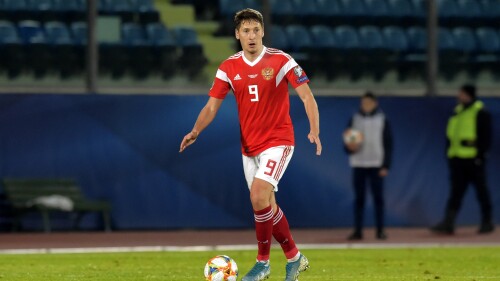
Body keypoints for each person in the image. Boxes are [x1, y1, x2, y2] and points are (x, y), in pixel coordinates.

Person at [179, 8, 321, 281]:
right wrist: (196, 129)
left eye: (256, 30)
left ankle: (262, 264)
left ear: (263, 32)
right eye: (246, 31)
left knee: (258, 196)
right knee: (266, 204)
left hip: (279, 140)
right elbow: (211, 106)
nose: (252, 35)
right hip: (250, 147)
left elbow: (307, 97)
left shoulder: (282, 61)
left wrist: (314, 129)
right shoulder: (228, 67)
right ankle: (294, 257)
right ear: (237, 34)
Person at [430, 84, 494, 235]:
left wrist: (480, 156)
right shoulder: (457, 112)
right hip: (457, 159)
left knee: (481, 191)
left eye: (461, 93)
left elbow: (486, 136)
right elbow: (451, 135)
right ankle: (448, 222)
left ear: (469, 95)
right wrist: (450, 154)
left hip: (473, 159)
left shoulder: (480, 112)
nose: (459, 96)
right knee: (455, 192)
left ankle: (487, 222)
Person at [344, 92, 392, 240]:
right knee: (359, 199)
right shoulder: (355, 119)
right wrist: (349, 147)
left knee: (378, 199)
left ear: (375, 103)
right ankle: (358, 231)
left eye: (368, 103)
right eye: (363, 102)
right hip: (359, 163)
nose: (365, 105)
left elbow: (388, 143)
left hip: (376, 164)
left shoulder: (382, 119)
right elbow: (349, 142)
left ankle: (380, 230)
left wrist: (386, 165)